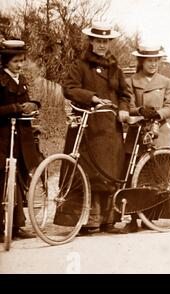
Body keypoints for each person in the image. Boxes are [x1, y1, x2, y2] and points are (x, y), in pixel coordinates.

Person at [53, 22, 131, 235]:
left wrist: (123, 109)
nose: (102, 45)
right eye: (98, 41)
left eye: (106, 41)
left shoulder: (116, 68)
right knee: (86, 172)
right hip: (86, 127)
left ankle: (108, 219)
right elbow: (69, 88)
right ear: (91, 42)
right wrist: (93, 98)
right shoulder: (80, 65)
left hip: (110, 128)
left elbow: (125, 94)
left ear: (110, 43)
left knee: (109, 172)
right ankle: (87, 220)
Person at [123, 43, 170, 232]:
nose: (153, 64)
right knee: (134, 175)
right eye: (149, 61)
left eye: (156, 60)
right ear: (141, 61)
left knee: (158, 175)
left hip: (159, 131)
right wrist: (139, 110)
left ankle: (152, 217)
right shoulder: (131, 81)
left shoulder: (166, 81)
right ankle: (132, 218)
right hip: (138, 130)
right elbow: (127, 105)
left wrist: (158, 114)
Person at [0, 39, 41, 241]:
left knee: (20, 178)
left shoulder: (21, 80)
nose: (19, 65)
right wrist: (14, 109)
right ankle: (2, 227)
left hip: (22, 138)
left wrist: (32, 105)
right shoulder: (0, 80)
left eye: (22, 60)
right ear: (6, 61)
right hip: (4, 137)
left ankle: (16, 225)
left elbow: (27, 101)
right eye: (16, 61)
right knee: (3, 180)